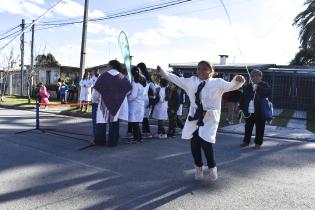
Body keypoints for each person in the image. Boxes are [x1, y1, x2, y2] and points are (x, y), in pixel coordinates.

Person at [157, 60, 245, 181]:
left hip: (209, 117)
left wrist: (238, 80)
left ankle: (212, 167)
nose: (200, 71)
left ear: (210, 71)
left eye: (204, 68)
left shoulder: (217, 83)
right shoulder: (191, 82)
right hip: (195, 116)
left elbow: (231, 86)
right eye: (198, 68)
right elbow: (175, 78)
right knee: (195, 143)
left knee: (206, 142)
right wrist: (162, 71)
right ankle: (198, 167)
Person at [92, 60, 132, 146]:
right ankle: (113, 142)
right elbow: (128, 91)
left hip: (104, 103)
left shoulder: (103, 76)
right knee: (114, 122)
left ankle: (100, 141)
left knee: (101, 122)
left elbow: (96, 92)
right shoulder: (122, 77)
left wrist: (94, 100)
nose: (107, 67)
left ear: (111, 66)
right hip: (117, 103)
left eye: (108, 65)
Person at [239, 69, 271, 149]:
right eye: (253, 76)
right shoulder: (248, 86)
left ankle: (258, 143)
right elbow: (243, 97)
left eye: (257, 76)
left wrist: (257, 87)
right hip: (249, 112)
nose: (255, 78)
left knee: (260, 128)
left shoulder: (264, 85)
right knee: (248, 127)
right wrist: (241, 108)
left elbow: (267, 92)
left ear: (261, 77)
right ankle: (246, 142)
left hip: (260, 111)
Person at [128, 66, 146, 143]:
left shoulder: (135, 83)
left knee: (134, 121)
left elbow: (133, 95)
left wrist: (127, 98)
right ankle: (139, 137)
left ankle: (136, 138)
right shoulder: (142, 82)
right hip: (140, 103)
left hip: (135, 104)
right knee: (136, 122)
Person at [137, 62, 155, 138]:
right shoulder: (148, 77)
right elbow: (153, 88)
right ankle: (146, 132)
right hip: (146, 98)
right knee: (145, 116)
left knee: (142, 116)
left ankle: (146, 132)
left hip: (141, 98)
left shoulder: (141, 77)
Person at [91, 69, 100, 139]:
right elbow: (91, 84)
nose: (96, 72)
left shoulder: (100, 77)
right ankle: (97, 136)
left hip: (97, 102)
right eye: (95, 71)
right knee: (97, 120)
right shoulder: (93, 78)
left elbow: (94, 97)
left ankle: (96, 137)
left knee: (96, 120)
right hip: (97, 101)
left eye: (97, 71)